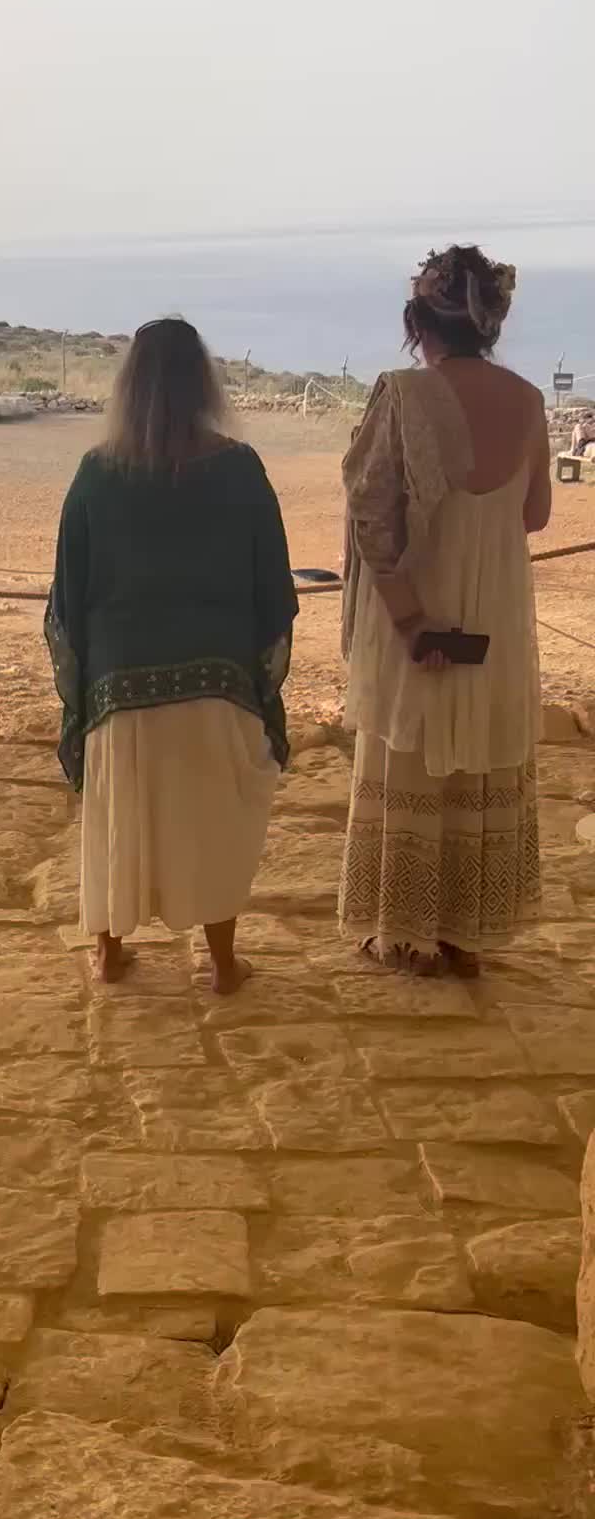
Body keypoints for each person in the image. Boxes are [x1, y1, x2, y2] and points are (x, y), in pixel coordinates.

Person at [44, 316, 298, 991]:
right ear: (203, 382)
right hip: (219, 688)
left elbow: (67, 600)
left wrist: (81, 700)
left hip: (119, 691)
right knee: (213, 824)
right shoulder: (240, 469)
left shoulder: (96, 475)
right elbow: (274, 589)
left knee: (113, 821)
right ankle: (221, 965)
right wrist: (263, 687)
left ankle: (107, 954)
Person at [338, 244, 552, 977]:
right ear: (490, 325)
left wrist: (408, 622)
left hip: (417, 610)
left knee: (412, 757)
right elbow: (536, 514)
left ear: (416, 323)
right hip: (495, 604)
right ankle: (467, 930)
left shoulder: (402, 394)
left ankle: (405, 930)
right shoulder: (528, 400)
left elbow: (371, 518)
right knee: (480, 757)